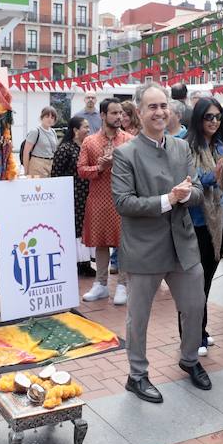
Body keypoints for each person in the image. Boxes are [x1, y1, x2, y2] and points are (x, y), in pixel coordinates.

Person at [112, 82, 208, 403]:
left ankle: (189, 358)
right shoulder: (125, 154)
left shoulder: (182, 148)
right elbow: (124, 203)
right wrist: (168, 199)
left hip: (183, 245)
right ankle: (136, 375)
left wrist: (187, 195)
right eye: (152, 107)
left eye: (163, 106)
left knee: (195, 306)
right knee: (138, 317)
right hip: (143, 248)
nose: (160, 112)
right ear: (138, 113)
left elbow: (197, 194)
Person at [186, 97, 223, 355]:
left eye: (218, 117)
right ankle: (192, 336)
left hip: (221, 223)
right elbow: (190, 182)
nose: (214, 121)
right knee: (194, 285)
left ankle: (201, 330)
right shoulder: (186, 147)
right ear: (198, 119)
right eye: (209, 117)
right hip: (197, 223)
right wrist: (214, 176)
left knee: (206, 282)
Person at [79, 99, 131, 305]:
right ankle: (100, 285)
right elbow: (82, 170)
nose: (119, 117)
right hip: (98, 199)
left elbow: (137, 169)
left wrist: (115, 163)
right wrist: (99, 168)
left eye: (120, 113)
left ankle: (122, 285)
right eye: (114, 113)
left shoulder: (130, 140)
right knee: (100, 243)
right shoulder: (89, 142)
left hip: (123, 199)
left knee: (124, 243)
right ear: (102, 115)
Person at [50, 115, 90, 244]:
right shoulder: (65, 149)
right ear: (75, 130)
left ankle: (85, 261)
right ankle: (75, 261)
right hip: (71, 196)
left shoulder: (86, 147)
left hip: (86, 195)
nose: (89, 130)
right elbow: (55, 175)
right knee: (74, 228)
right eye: (86, 127)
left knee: (85, 227)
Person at [21, 107, 59, 178]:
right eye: (47, 116)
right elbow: (26, 152)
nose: (50, 119)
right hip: (37, 164)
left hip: (50, 164)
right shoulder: (35, 131)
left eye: (52, 117)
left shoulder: (53, 132)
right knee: (37, 188)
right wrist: (26, 171)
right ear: (42, 118)